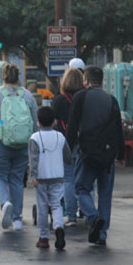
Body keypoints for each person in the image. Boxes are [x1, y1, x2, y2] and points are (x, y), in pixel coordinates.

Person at [67, 65, 124, 246]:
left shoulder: (80, 97)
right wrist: (120, 154)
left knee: (81, 188)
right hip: (108, 155)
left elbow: (72, 126)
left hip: (88, 153)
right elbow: (118, 129)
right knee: (105, 193)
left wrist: (68, 150)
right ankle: (102, 235)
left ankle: (93, 217)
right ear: (102, 81)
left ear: (86, 81)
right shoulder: (112, 99)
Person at [0, 63, 38, 232]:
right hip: (22, 145)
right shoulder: (27, 95)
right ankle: (17, 219)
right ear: (18, 77)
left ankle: (5, 203)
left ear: (2, 77)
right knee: (17, 179)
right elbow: (34, 122)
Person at [29, 106, 72, 250]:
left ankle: (44, 238)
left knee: (42, 206)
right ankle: (59, 226)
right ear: (54, 122)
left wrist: (33, 175)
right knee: (56, 204)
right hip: (58, 176)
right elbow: (68, 157)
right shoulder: (60, 136)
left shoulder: (35, 138)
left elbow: (33, 159)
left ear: (38, 122)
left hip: (41, 178)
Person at [51, 67, 85, 225]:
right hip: (84, 143)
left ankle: (71, 216)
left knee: (69, 180)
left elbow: (52, 122)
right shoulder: (86, 97)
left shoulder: (59, 100)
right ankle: (88, 211)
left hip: (65, 143)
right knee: (86, 180)